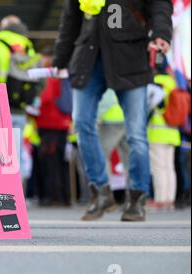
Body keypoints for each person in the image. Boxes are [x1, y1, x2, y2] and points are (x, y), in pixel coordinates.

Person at [53, 0, 173, 222]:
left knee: (136, 134)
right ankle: (100, 192)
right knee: (81, 123)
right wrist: (60, 59)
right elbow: (70, 21)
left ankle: (136, 198)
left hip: (130, 58)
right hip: (88, 60)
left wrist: (161, 34)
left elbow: (160, 5)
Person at [0, 15, 41, 171]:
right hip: (20, 107)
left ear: (4, 26)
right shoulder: (28, 45)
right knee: (17, 151)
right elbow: (38, 78)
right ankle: (19, 191)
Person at [36, 47, 72, 206]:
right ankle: (64, 197)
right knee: (61, 162)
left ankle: (54, 197)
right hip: (63, 123)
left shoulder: (48, 75)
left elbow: (46, 97)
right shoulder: (63, 74)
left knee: (50, 163)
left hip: (49, 123)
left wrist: (32, 107)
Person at [147, 65, 181, 211]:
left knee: (158, 168)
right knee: (169, 167)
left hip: (157, 132)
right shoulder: (173, 83)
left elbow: (151, 106)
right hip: (173, 132)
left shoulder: (155, 83)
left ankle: (160, 200)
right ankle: (169, 200)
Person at [98, 89, 129, 182]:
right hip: (126, 119)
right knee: (129, 159)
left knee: (101, 156)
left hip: (110, 121)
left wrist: (97, 116)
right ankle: (133, 192)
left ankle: (104, 191)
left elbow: (106, 100)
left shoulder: (104, 78)